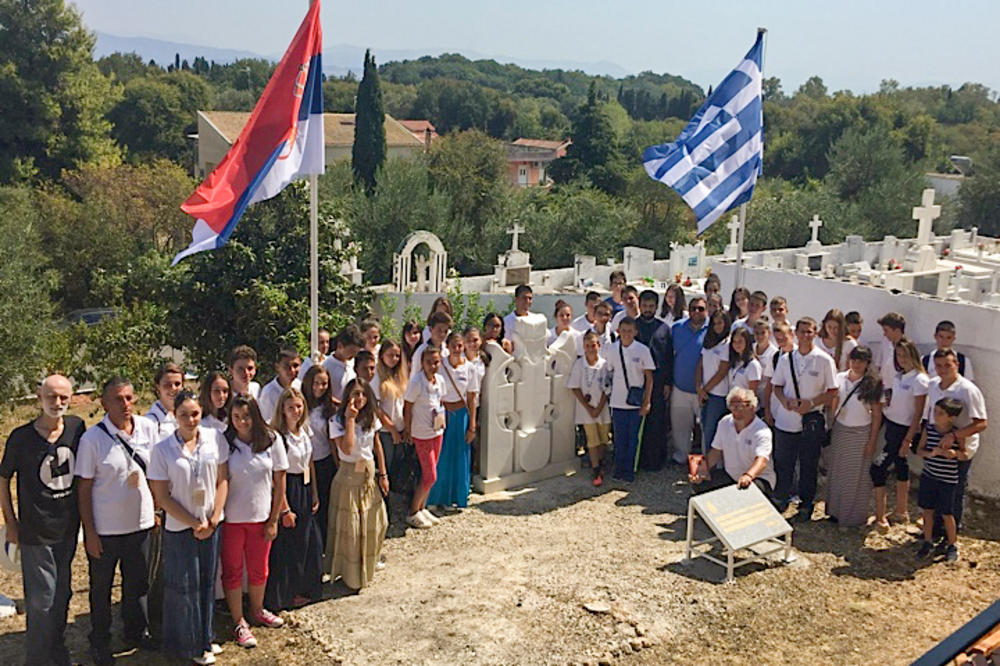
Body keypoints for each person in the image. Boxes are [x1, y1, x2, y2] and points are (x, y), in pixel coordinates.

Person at [0, 375, 83, 666]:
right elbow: (3, 478)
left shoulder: (76, 428)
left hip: (68, 530)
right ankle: (36, 659)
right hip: (36, 533)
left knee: (62, 596)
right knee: (41, 602)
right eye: (51, 397)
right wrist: (11, 522)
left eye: (63, 397)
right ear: (39, 398)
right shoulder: (21, 437)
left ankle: (57, 654)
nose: (57, 403)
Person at [77, 378, 159, 665]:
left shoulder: (147, 428)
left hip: (141, 523)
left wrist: (157, 510)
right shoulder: (92, 440)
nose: (125, 405)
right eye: (117, 399)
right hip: (106, 529)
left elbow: (155, 472)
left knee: (137, 585)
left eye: (129, 398)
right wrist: (90, 532)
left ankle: (135, 632)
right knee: (101, 588)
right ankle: (100, 641)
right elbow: (84, 489)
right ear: (104, 403)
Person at [147, 390, 228, 666]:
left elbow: (222, 481)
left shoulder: (214, 439)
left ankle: (205, 637)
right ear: (174, 416)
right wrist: (195, 522)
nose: (190, 419)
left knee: (207, 583)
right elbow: (162, 496)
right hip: (181, 527)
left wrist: (214, 517)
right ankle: (187, 644)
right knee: (184, 587)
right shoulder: (162, 449)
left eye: (195, 414)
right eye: (184, 414)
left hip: (211, 524)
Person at [221, 394, 287, 648]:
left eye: (246, 416)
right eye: (236, 417)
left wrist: (274, 517)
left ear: (255, 415)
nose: (242, 422)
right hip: (233, 519)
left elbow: (280, 480)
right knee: (233, 570)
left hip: (261, 517)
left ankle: (257, 610)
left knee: (259, 567)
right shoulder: (225, 442)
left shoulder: (271, 440)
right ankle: (239, 621)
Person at [769, 317, 838, 522]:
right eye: (802, 332)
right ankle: (781, 498)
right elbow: (777, 386)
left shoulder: (825, 360)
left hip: (811, 420)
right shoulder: (785, 359)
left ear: (816, 334)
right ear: (796, 333)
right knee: (784, 462)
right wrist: (784, 401)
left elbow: (833, 391)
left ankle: (806, 504)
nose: (806, 336)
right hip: (786, 420)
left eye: (810, 332)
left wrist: (811, 403)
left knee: (808, 465)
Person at [326, 378, 389, 589]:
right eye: (355, 394)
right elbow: (346, 447)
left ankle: (369, 563)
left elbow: (377, 445)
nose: (359, 398)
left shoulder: (370, 416)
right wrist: (350, 420)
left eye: (362, 394)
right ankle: (351, 575)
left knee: (377, 522)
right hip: (349, 477)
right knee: (351, 530)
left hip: (369, 476)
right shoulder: (337, 420)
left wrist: (384, 474)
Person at [266, 388, 323, 610]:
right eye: (291, 407)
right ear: (282, 409)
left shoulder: (304, 432)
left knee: (308, 541)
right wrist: (284, 508)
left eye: (299, 406)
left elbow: (309, 463)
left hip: (305, 486)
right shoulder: (278, 437)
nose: (295, 411)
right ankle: (287, 594)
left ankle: (305, 588)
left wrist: (315, 493)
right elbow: (275, 475)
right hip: (287, 488)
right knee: (288, 544)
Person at [924, 349, 987, 537]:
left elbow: (981, 422)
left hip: (959, 447)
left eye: (947, 365)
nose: (943, 370)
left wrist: (954, 436)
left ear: (957, 365)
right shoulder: (934, 384)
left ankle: (950, 536)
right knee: (934, 488)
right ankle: (933, 530)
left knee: (954, 494)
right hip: (937, 443)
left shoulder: (968, 390)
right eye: (939, 366)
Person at [870, 339, 928, 529]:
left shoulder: (919, 380)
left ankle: (881, 518)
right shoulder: (899, 376)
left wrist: (908, 439)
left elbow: (918, 413)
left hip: (903, 430)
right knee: (900, 466)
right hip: (892, 425)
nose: (902, 359)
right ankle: (901, 511)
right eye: (899, 355)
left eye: (905, 355)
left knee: (878, 469)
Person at [825, 346, 883, 527]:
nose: (857, 364)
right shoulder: (840, 378)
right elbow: (833, 402)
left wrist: (872, 441)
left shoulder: (872, 383)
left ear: (867, 363)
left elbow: (876, 414)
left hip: (861, 433)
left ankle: (852, 517)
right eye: (854, 360)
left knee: (856, 476)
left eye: (861, 361)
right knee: (837, 472)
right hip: (841, 430)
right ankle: (835, 512)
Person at [689, 388, 775, 498]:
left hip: (758, 477)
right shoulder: (724, 422)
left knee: (748, 493)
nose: (736, 411)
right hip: (731, 475)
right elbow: (716, 452)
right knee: (701, 484)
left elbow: (761, 460)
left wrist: (748, 476)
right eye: (732, 406)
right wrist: (701, 472)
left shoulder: (762, 431)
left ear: (752, 407)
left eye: (740, 406)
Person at [428, 333, 479, 511]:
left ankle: (456, 497)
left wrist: (473, 423)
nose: (457, 349)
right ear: (447, 347)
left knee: (460, 455)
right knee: (441, 456)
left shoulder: (470, 368)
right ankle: (436, 497)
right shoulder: (441, 365)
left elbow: (472, 396)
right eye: (454, 346)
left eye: (460, 345)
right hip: (444, 413)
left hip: (461, 413)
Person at [916, 398, 967, 562]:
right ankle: (928, 540)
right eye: (935, 411)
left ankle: (952, 544)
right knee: (927, 510)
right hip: (929, 476)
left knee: (947, 513)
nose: (936, 415)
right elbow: (919, 450)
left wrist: (954, 454)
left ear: (951, 417)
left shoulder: (956, 434)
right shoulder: (929, 430)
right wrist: (931, 453)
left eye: (941, 413)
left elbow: (964, 455)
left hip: (947, 480)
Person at [605, 317, 655, 482]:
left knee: (633, 438)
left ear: (635, 332)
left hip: (635, 402)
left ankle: (629, 470)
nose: (626, 334)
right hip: (617, 401)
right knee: (619, 438)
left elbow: (649, 378)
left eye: (630, 331)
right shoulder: (611, 349)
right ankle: (619, 468)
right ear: (618, 331)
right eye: (623, 331)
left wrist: (647, 401)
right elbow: (608, 371)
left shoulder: (642, 350)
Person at [403, 346, 447, 528]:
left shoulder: (440, 381)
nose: (433, 366)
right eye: (429, 362)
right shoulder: (416, 382)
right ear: (422, 363)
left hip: (437, 431)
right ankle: (412, 511)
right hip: (421, 434)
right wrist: (407, 430)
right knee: (430, 475)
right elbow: (407, 406)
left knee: (429, 472)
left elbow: (440, 402)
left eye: (436, 362)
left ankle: (422, 507)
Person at [566, 331, 612, 486]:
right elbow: (575, 387)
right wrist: (589, 408)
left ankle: (600, 462)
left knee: (604, 439)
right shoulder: (579, 365)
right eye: (587, 346)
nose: (591, 349)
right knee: (592, 440)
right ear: (583, 347)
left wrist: (598, 408)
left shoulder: (604, 365)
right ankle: (596, 469)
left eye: (593, 345)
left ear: (598, 345)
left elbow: (607, 388)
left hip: (602, 408)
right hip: (586, 410)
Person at [635, 290, 673, 471]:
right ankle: (638, 460)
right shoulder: (632, 326)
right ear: (639, 306)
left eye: (651, 306)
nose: (648, 309)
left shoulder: (664, 328)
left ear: (656, 307)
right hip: (636, 381)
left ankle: (656, 461)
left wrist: (667, 383)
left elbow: (668, 357)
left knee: (657, 422)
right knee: (638, 420)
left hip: (658, 382)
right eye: (645, 306)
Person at [300, 365, 337, 549]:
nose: (319, 387)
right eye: (316, 383)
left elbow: (331, 439)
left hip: (324, 461)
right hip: (304, 464)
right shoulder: (300, 404)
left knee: (325, 507)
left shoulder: (328, 408)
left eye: (324, 384)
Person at [670, 297, 709, 465]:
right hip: (680, 387)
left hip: (704, 389)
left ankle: (708, 461)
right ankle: (681, 455)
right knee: (680, 426)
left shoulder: (713, 329)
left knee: (707, 428)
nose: (696, 312)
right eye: (693, 308)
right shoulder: (677, 328)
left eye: (700, 308)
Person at [697, 310, 731, 455]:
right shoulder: (708, 341)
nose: (717, 326)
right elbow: (700, 365)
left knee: (712, 429)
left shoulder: (727, 344)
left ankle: (712, 466)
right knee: (705, 428)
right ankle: (706, 463)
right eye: (714, 323)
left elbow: (722, 371)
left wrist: (705, 389)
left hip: (718, 394)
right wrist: (698, 387)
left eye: (720, 323)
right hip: (705, 393)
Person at [373, 341, 408, 482]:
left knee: (398, 468)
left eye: (397, 355)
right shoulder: (377, 377)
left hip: (400, 428)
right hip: (386, 431)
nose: (394, 359)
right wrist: (392, 428)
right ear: (382, 356)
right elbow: (377, 408)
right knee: (387, 467)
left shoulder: (400, 376)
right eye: (390, 355)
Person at [763, 321, 795, 427]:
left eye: (784, 338)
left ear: (791, 334)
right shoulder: (775, 357)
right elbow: (768, 385)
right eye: (778, 339)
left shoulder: (800, 356)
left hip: (795, 412)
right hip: (776, 411)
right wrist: (767, 410)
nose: (781, 342)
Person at [258, 346, 302, 424]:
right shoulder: (269, 393)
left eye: (295, 366)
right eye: (287, 366)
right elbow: (266, 422)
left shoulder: (300, 385)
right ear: (277, 367)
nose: (292, 370)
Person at [322, 324, 363, 405]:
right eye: (351, 351)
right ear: (340, 346)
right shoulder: (327, 367)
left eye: (356, 352)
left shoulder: (352, 362)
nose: (354, 355)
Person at [147, 362, 184, 438]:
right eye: (167, 384)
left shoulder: (187, 415)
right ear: (158, 387)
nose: (173, 388)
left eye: (177, 384)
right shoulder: (150, 421)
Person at [875, 312, 906, 394]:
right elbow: (878, 365)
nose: (884, 334)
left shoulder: (907, 348)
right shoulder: (884, 342)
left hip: (899, 391)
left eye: (886, 330)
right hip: (883, 390)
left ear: (897, 331)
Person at [727, 327, 762, 394]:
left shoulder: (753, 364)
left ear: (747, 342)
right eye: (734, 341)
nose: (737, 344)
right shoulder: (735, 361)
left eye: (740, 341)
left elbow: (752, 392)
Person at [752, 318, 777, 411]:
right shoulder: (750, 348)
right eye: (757, 333)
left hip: (766, 400)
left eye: (763, 333)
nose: (759, 336)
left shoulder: (774, 353)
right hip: (751, 396)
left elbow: (771, 382)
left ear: (769, 334)